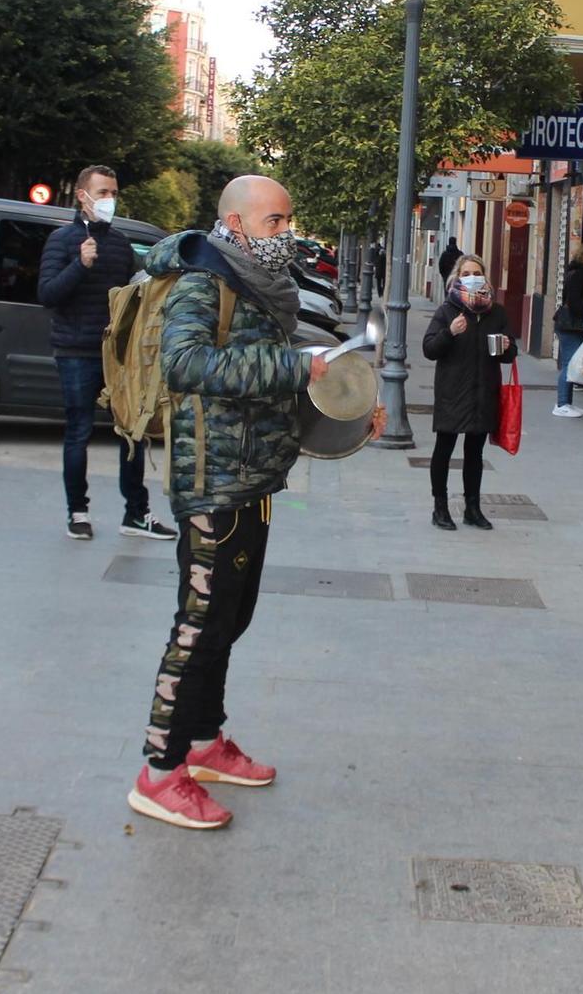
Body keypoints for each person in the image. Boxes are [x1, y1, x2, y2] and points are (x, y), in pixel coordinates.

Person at [127, 176, 382, 830]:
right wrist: (296, 367)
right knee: (198, 624)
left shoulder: (257, 283)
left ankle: (206, 741)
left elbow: (271, 367)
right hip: (212, 482)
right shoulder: (201, 282)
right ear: (235, 224)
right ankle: (159, 772)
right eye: (275, 221)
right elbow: (186, 364)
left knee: (231, 618)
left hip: (258, 480)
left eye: (289, 219)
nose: (286, 232)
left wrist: (350, 410)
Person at [37, 165, 174, 543]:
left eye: (113, 192)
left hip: (119, 355)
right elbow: (48, 294)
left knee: (133, 430)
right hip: (75, 350)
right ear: (82, 195)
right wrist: (79, 266)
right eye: (102, 192)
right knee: (78, 431)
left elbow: (133, 293)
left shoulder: (119, 244)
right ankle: (77, 512)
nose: (109, 199)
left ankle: (136, 513)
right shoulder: (62, 241)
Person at [422, 255, 517, 531]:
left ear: (485, 277)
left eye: (477, 272)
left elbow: (510, 355)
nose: (472, 277)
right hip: (453, 392)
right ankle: (440, 508)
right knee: (444, 449)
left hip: (483, 393)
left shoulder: (496, 313)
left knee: (475, 453)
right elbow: (429, 349)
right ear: (457, 277)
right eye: (466, 273)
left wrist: (505, 346)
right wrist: (449, 333)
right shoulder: (448, 310)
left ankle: (472, 508)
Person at [550, 239, 583, 418]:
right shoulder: (579, 274)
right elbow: (577, 302)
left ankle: (566, 402)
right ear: (582, 257)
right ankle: (562, 403)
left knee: (571, 363)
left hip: (571, 325)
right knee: (569, 364)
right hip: (570, 325)